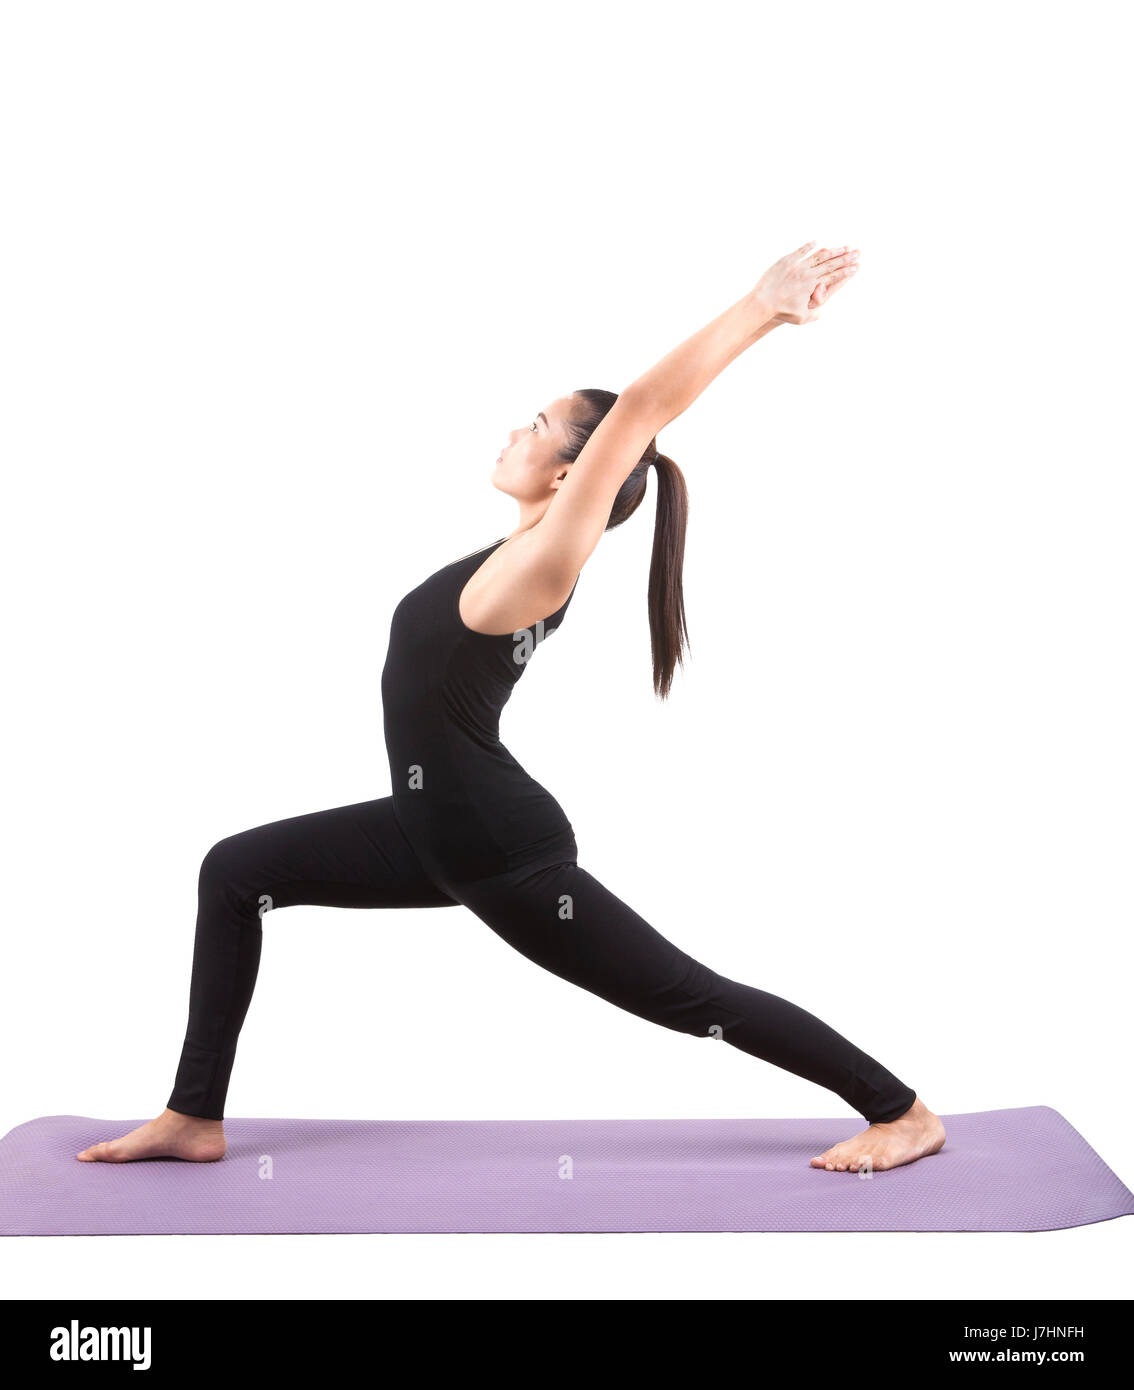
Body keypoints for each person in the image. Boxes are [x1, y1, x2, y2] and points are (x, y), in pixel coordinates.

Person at [78, 241, 945, 1174]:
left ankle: (900, 1111)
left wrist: (760, 308)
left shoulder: (544, 563)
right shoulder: (507, 555)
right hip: (432, 825)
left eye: (537, 424)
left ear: (578, 477)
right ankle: (192, 1115)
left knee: (695, 999)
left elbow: (644, 409)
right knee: (234, 871)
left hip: (499, 851)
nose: (514, 430)